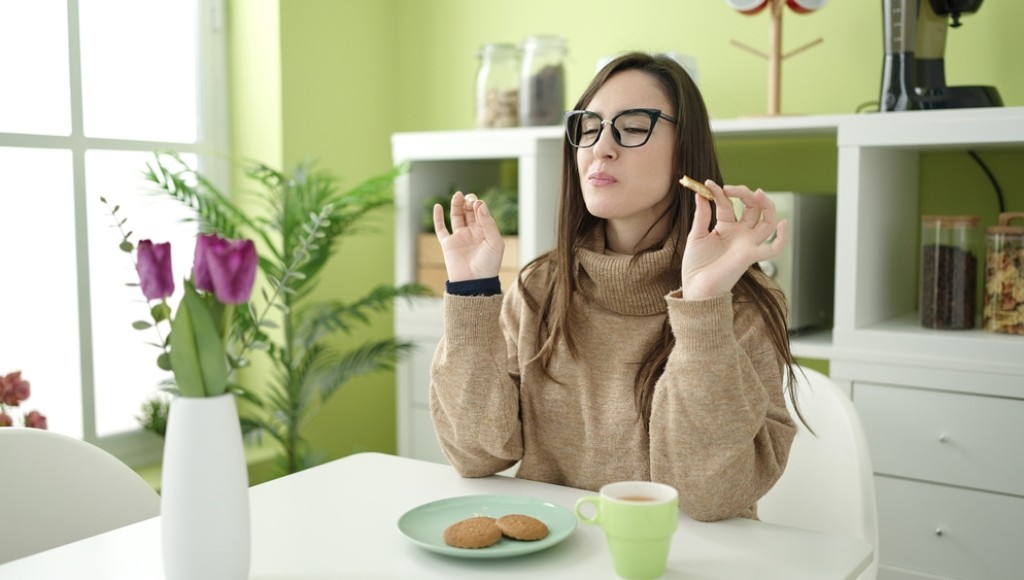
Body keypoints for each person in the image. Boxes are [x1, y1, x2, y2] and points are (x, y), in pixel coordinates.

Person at [429, 52, 798, 522]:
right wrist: (470, 291)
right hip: (556, 557)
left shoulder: (742, 305)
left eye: (633, 125)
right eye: (590, 126)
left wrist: (703, 306)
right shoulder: (540, 287)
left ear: (686, 149)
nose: (602, 147)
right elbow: (475, 455)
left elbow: (711, 498)